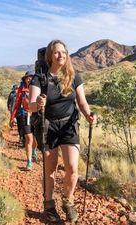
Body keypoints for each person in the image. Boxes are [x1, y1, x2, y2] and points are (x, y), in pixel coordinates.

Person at [29, 39, 95, 223]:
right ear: (50, 55)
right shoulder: (39, 79)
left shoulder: (74, 77)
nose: (61, 56)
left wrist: (89, 115)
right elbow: (31, 106)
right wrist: (38, 104)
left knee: (73, 168)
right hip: (48, 127)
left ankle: (68, 201)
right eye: (57, 52)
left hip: (69, 126)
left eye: (64, 52)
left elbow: (82, 102)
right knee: (50, 169)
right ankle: (49, 205)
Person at [10, 71, 38, 170]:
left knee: (36, 139)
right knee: (29, 138)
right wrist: (12, 117)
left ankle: (34, 149)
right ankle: (29, 161)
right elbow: (17, 104)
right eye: (28, 78)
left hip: (36, 116)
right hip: (25, 116)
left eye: (31, 77)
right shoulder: (21, 90)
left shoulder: (38, 89)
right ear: (25, 79)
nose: (29, 79)